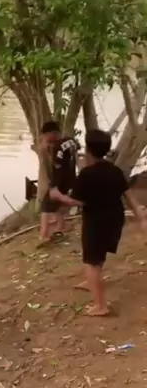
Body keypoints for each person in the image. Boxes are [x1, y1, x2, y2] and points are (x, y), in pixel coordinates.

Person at [50, 129, 146, 316]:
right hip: (115, 218)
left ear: (88, 150)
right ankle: (90, 282)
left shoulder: (87, 174)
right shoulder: (115, 170)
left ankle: (101, 306)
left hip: (96, 221)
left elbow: (77, 201)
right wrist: (141, 218)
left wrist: (58, 196)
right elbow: (129, 196)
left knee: (90, 261)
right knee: (98, 253)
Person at [38, 121, 78, 245]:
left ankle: (44, 234)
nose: (45, 138)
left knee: (45, 206)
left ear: (52, 134)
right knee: (58, 205)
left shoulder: (57, 147)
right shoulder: (71, 141)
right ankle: (61, 226)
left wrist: (53, 186)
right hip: (70, 178)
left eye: (46, 135)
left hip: (60, 180)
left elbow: (57, 166)